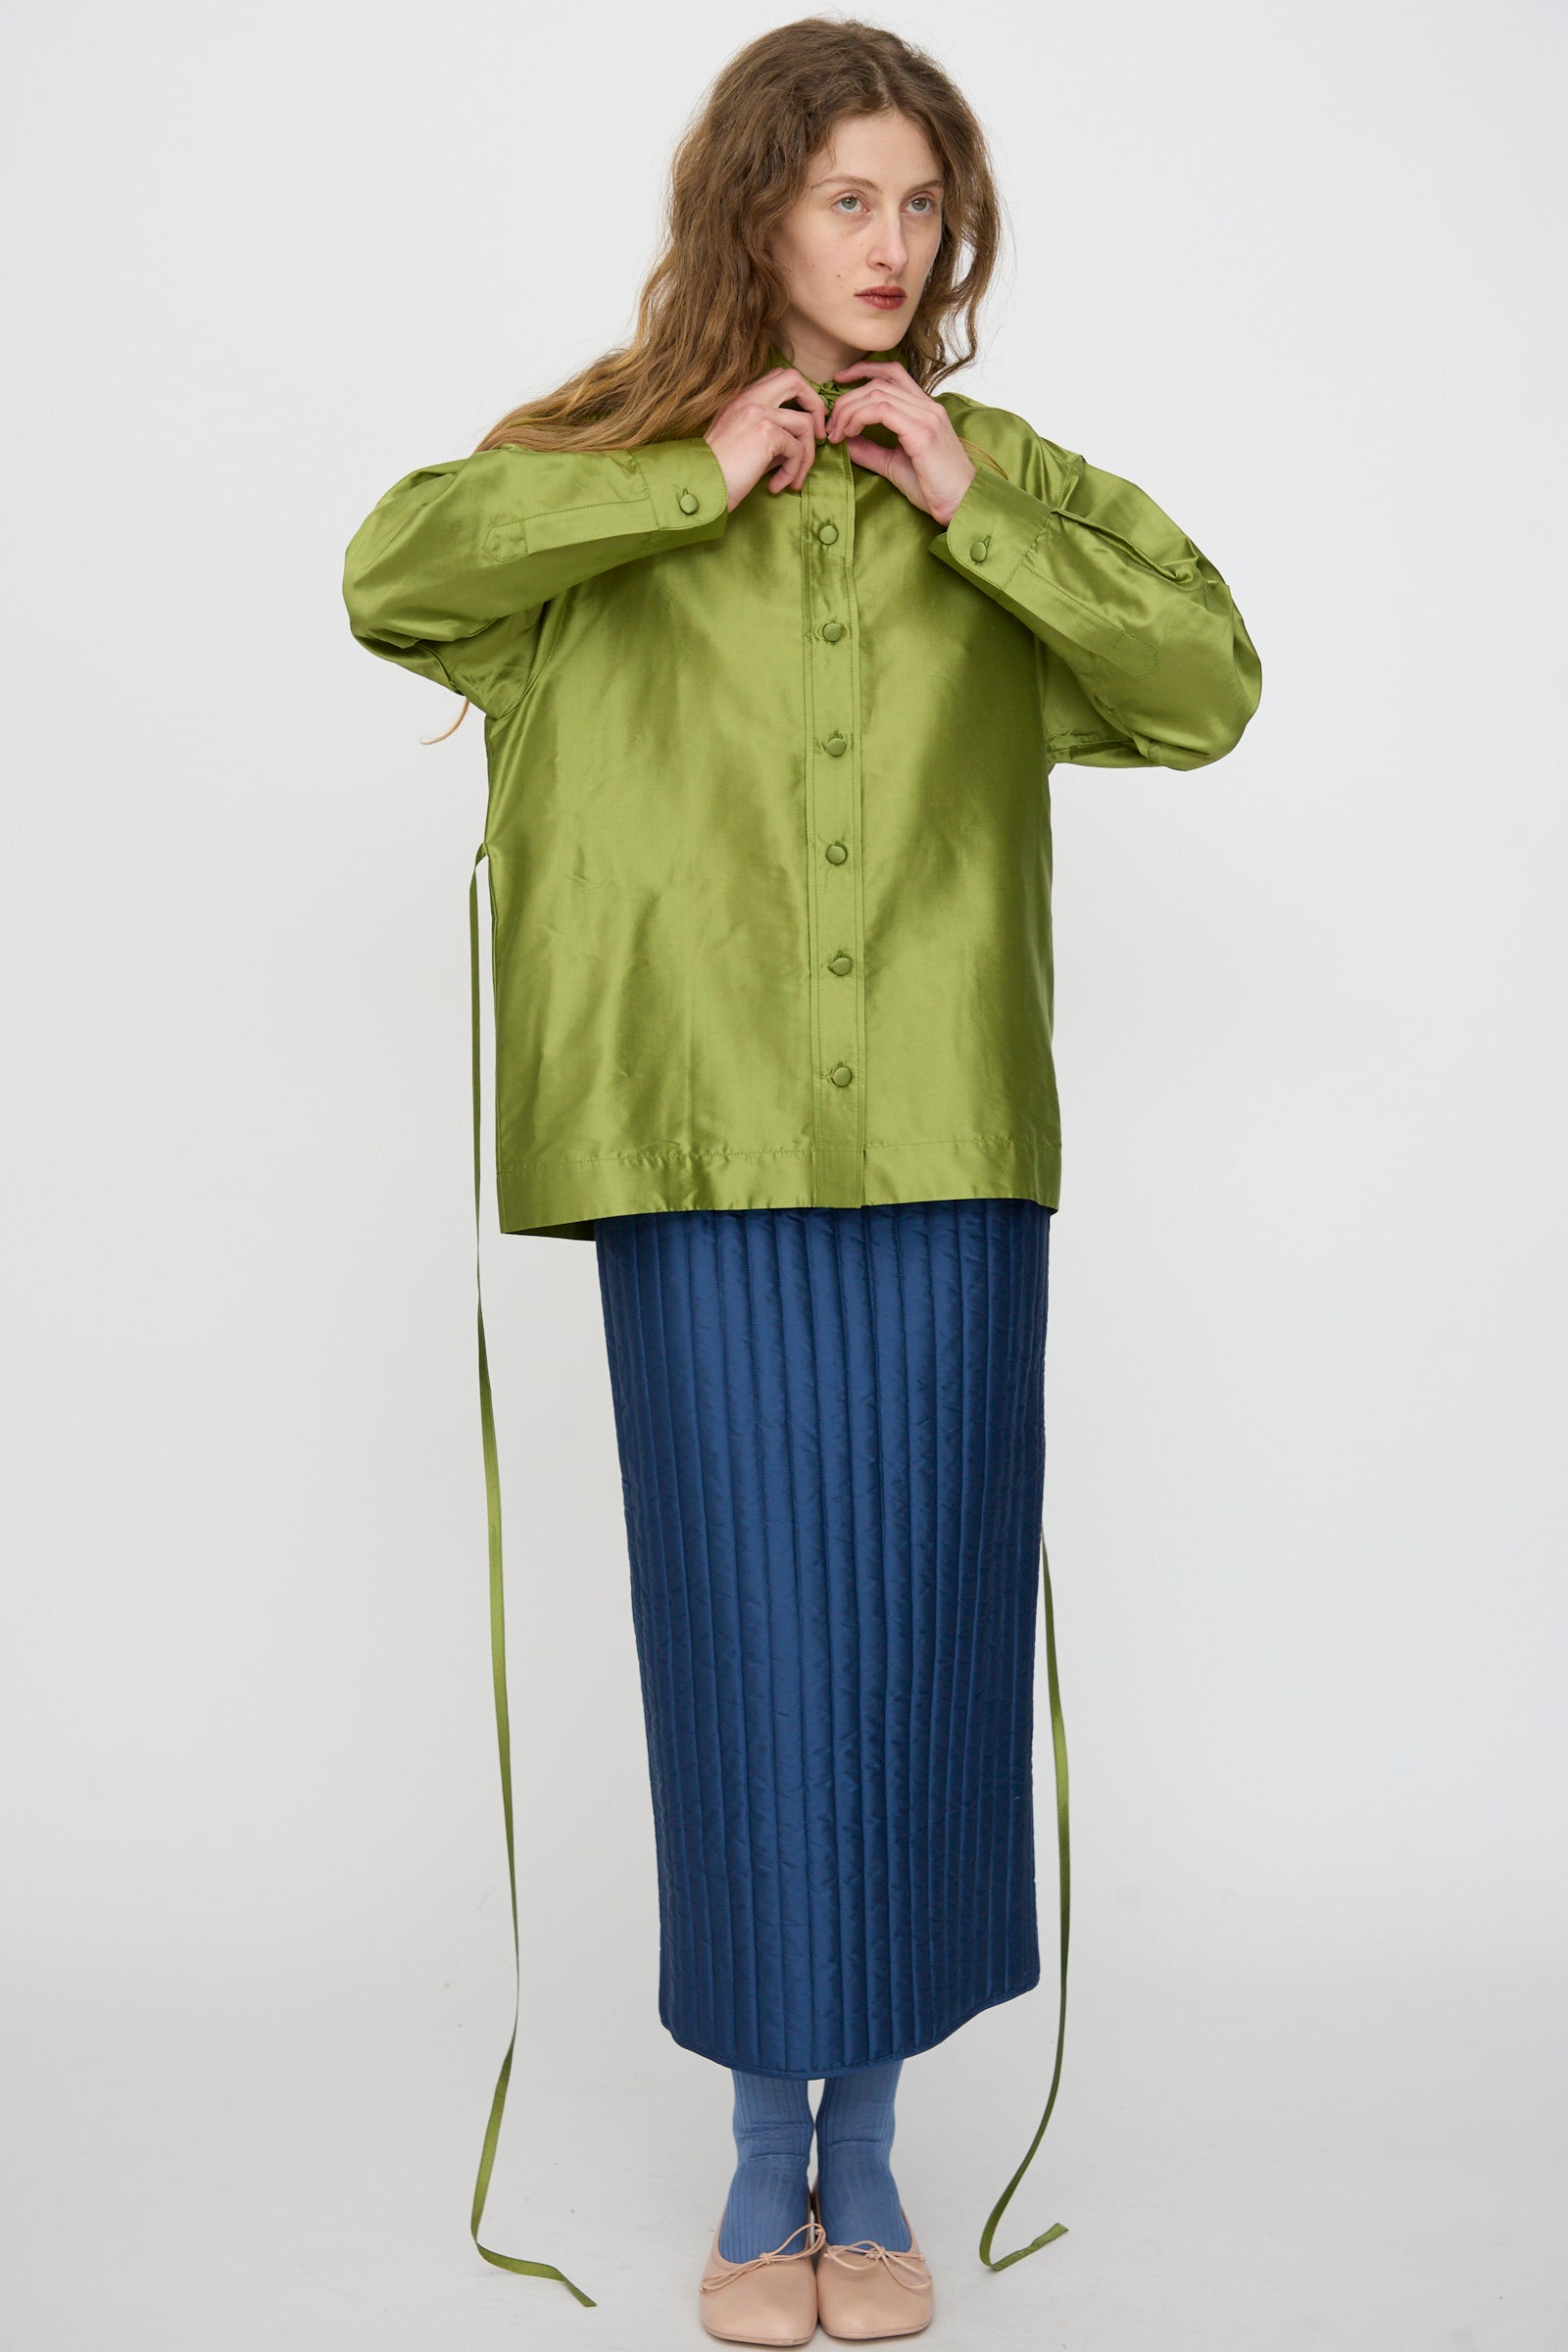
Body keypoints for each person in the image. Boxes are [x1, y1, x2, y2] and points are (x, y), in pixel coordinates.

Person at [341, 17, 1261, 2343]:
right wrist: (687, 479)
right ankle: (768, 2169)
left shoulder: (992, 472)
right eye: (848, 196)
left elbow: (1200, 685)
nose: (891, 242)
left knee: (921, 1656)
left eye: (921, 204)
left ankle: (880, 2159)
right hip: (696, 1147)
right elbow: (394, 572)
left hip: (943, 1153)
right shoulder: (604, 457)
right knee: (752, 1657)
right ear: (751, 205)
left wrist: (976, 512)